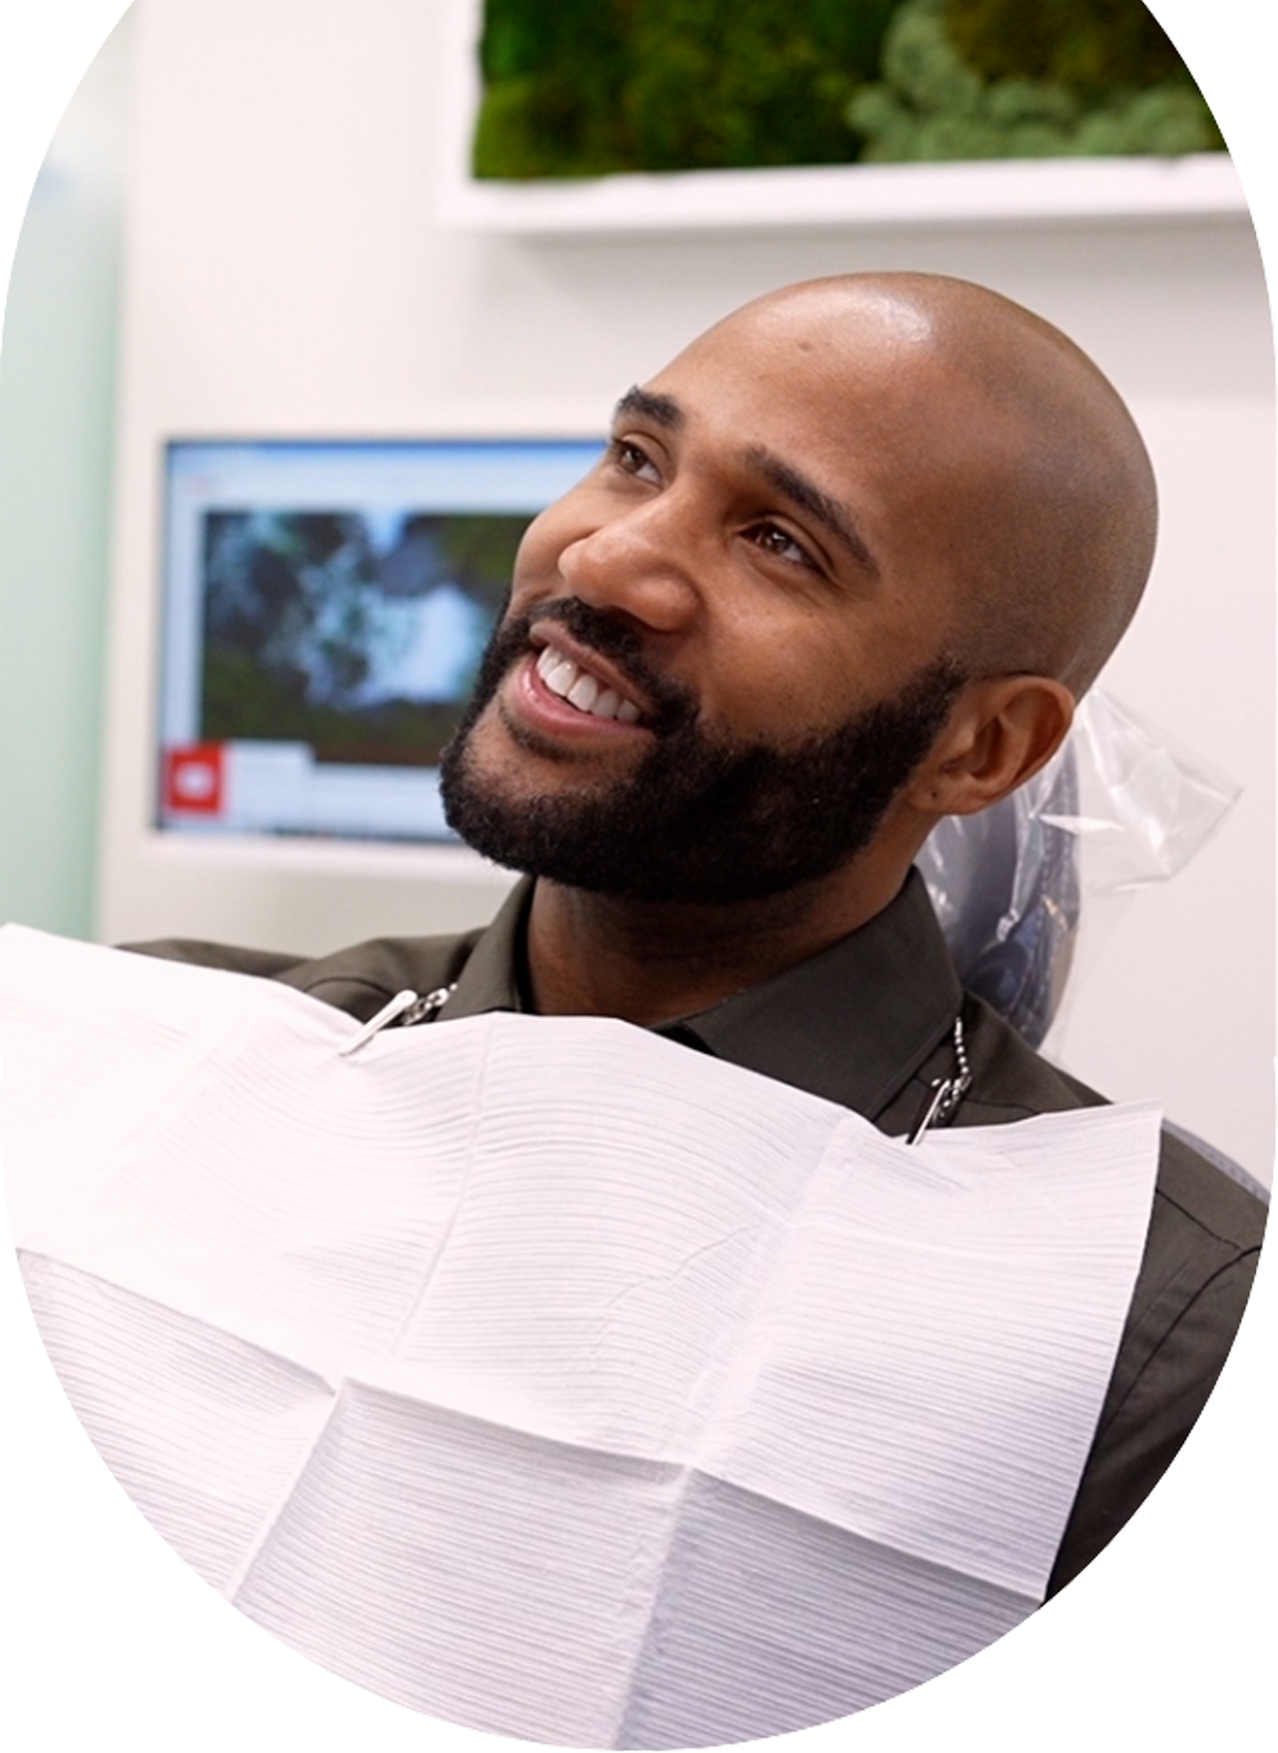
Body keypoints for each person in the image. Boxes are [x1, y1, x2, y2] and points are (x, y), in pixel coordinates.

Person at [135, 272, 1265, 1596]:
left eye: (781, 542)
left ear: (981, 747)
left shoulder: (1156, 1326)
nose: (601, 558)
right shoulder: (178, 1064)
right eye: (633, 458)